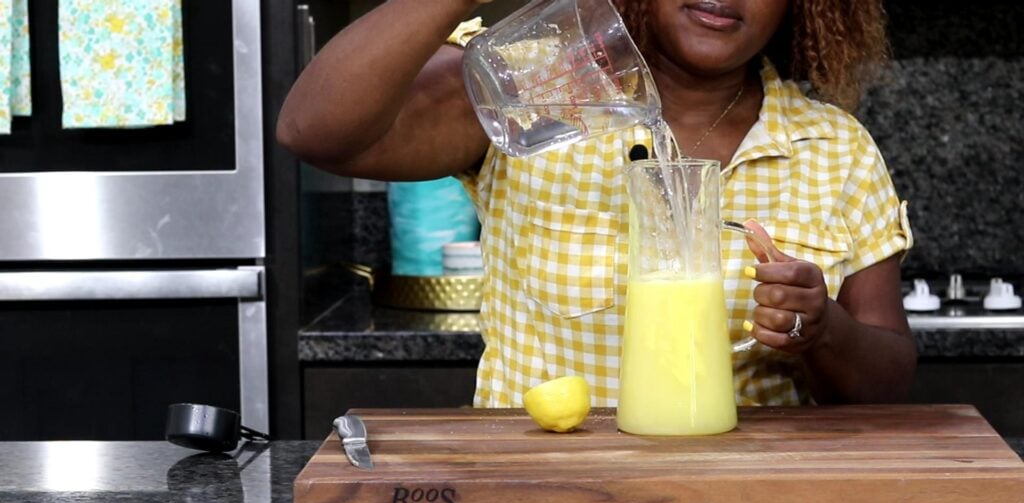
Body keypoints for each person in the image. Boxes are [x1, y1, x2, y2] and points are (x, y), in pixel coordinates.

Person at [277, 0, 917, 408]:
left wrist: (824, 332)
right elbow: (314, 131)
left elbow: (888, 381)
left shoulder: (833, 149)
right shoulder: (536, 89)